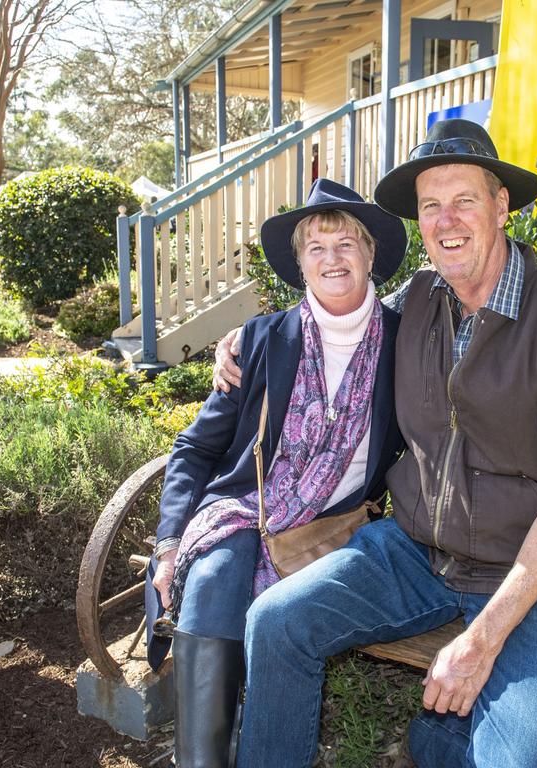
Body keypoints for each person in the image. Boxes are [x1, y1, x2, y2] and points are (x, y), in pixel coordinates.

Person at [214, 119, 537, 768]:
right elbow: (329, 337)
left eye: (465, 199)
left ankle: (444, 741)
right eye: (430, 205)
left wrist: (483, 640)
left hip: (535, 580)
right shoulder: (413, 301)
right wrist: (249, 342)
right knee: (276, 621)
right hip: (413, 553)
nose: (447, 220)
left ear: (501, 207)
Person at [151, 178, 408, 768]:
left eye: (346, 243)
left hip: (339, 527)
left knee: (288, 616)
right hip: (248, 511)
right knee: (215, 577)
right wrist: (169, 541)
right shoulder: (260, 341)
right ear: (299, 264)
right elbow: (194, 448)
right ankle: (202, 759)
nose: (332, 259)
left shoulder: (406, 340)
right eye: (316, 248)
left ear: (371, 254)